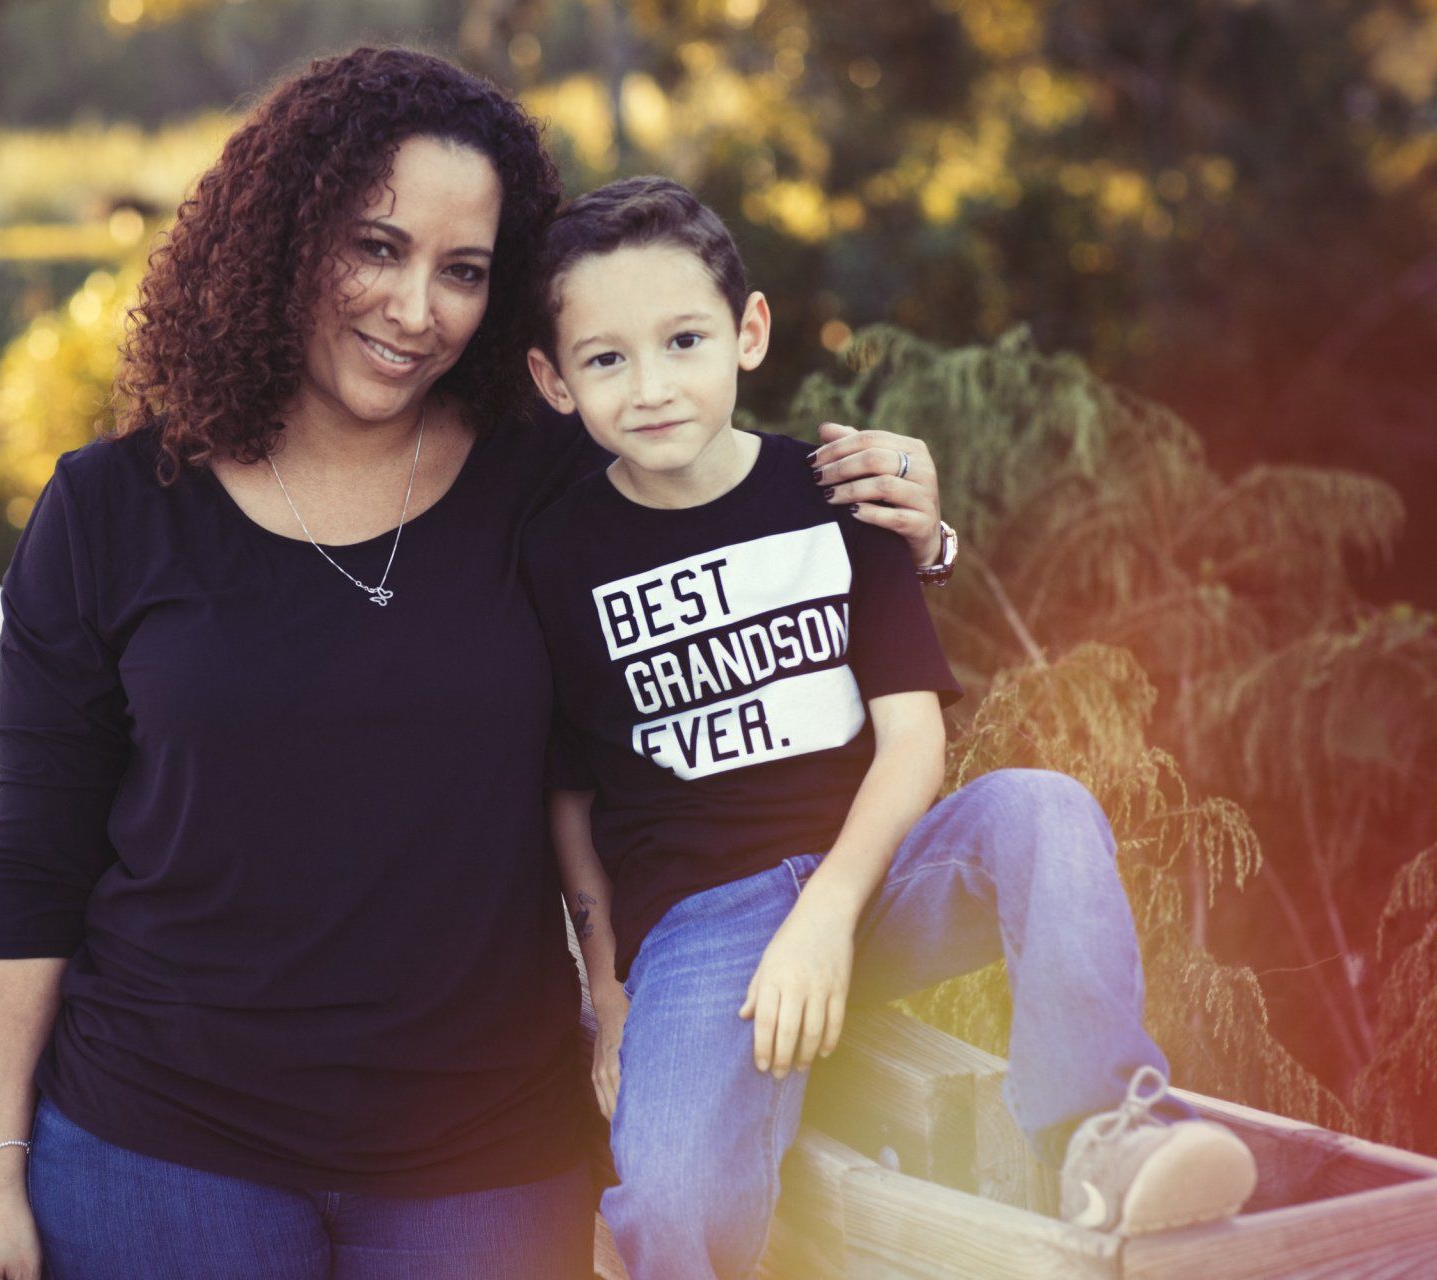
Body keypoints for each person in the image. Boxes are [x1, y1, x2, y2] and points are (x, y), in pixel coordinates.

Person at [0, 48, 954, 1280]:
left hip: (487, 1158)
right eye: (374, 247)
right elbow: (36, 853)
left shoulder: (562, 480)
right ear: (280, 238)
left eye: (464, 271)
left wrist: (915, 523)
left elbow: (755, 527)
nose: (416, 308)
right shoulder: (112, 510)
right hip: (161, 1147)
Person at [515, 174, 1260, 1280]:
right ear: (554, 380)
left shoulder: (836, 490)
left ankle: (1103, 1132)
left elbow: (914, 740)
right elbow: (570, 792)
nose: (654, 385)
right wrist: (610, 992)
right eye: (607, 358)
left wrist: (824, 911)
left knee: (1045, 807)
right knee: (667, 1206)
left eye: (683, 340)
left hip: (881, 879)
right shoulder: (556, 554)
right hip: (704, 933)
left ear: (749, 330)